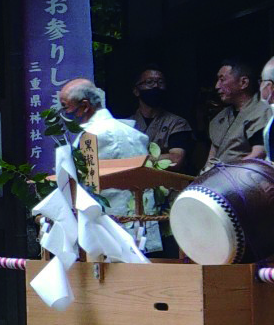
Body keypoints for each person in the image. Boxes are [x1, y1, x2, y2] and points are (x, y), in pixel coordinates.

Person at [57, 77, 159, 251]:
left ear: (85, 105)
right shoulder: (133, 133)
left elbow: (85, 187)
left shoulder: (90, 136)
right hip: (141, 227)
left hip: (108, 232)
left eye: (65, 106)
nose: (63, 112)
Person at [206, 58, 271, 165]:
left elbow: (259, 153)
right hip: (217, 177)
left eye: (222, 80)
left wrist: (228, 172)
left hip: (247, 177)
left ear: (243, 83)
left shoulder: (263, 111)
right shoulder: (220, 117)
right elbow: (211, 157)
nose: (217, 86)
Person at [128, 65, 193, 171]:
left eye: (160, 82)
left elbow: (176, 159)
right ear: (136, 91)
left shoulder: (177, 123)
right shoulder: (127, 125)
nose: (155, 86)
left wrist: (134, 161)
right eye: (149, 82)